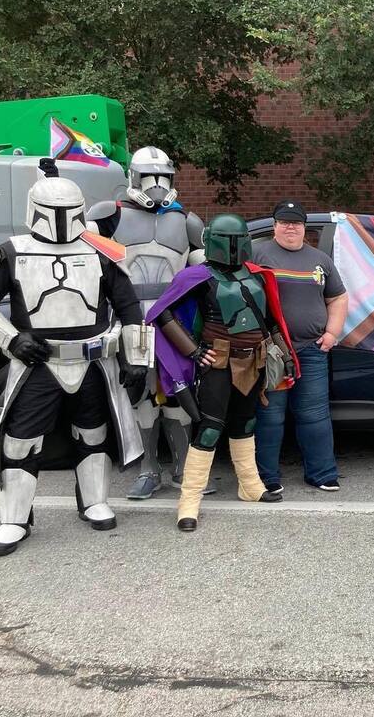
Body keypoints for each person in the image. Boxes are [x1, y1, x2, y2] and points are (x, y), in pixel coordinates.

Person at [0, 163, 151, 556]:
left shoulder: (101, 252)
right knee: (20, 440)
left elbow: (129, 306)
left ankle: (95, 501)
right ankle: (14, 519)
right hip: (37, 362)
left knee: (94, 433)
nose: (62, 221)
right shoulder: (12, 251)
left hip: (93, 361)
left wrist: (137, 358)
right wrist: (11, 338)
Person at [146, 214, 299, 532]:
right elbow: (163, 314)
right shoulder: (198, 277)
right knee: (210, 429)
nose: (234, 246)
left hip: (254, 361)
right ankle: (189, 502)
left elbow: (269, 321)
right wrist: (194, 351)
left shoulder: (257, 275)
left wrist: (284, 355)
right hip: (218, 365)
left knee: (246, 424)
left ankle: (250, 486)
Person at [88, 145, 209, 499]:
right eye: (149, 177)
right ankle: (148, 468)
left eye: (164, 178)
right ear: (133, 177)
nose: (156, 185)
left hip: (174, 322)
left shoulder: (186, 221)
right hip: (131, 320)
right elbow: (79, 254)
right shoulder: (110, 214)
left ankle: (184, 468)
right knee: (140, 394)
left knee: (178, 391)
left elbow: (203, 274)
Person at [253, 201, 348, 493]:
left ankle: (322, 473)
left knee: (314, 414)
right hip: (272, 351)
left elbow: (338, 299)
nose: (290, 227)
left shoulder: (320, 260)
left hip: (311, 350)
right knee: (270, 416)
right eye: (284, 221)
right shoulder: (257, 254)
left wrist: (331, 333)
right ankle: (266, 477)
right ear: (274, 225)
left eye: (295, 222)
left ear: (305, 227)